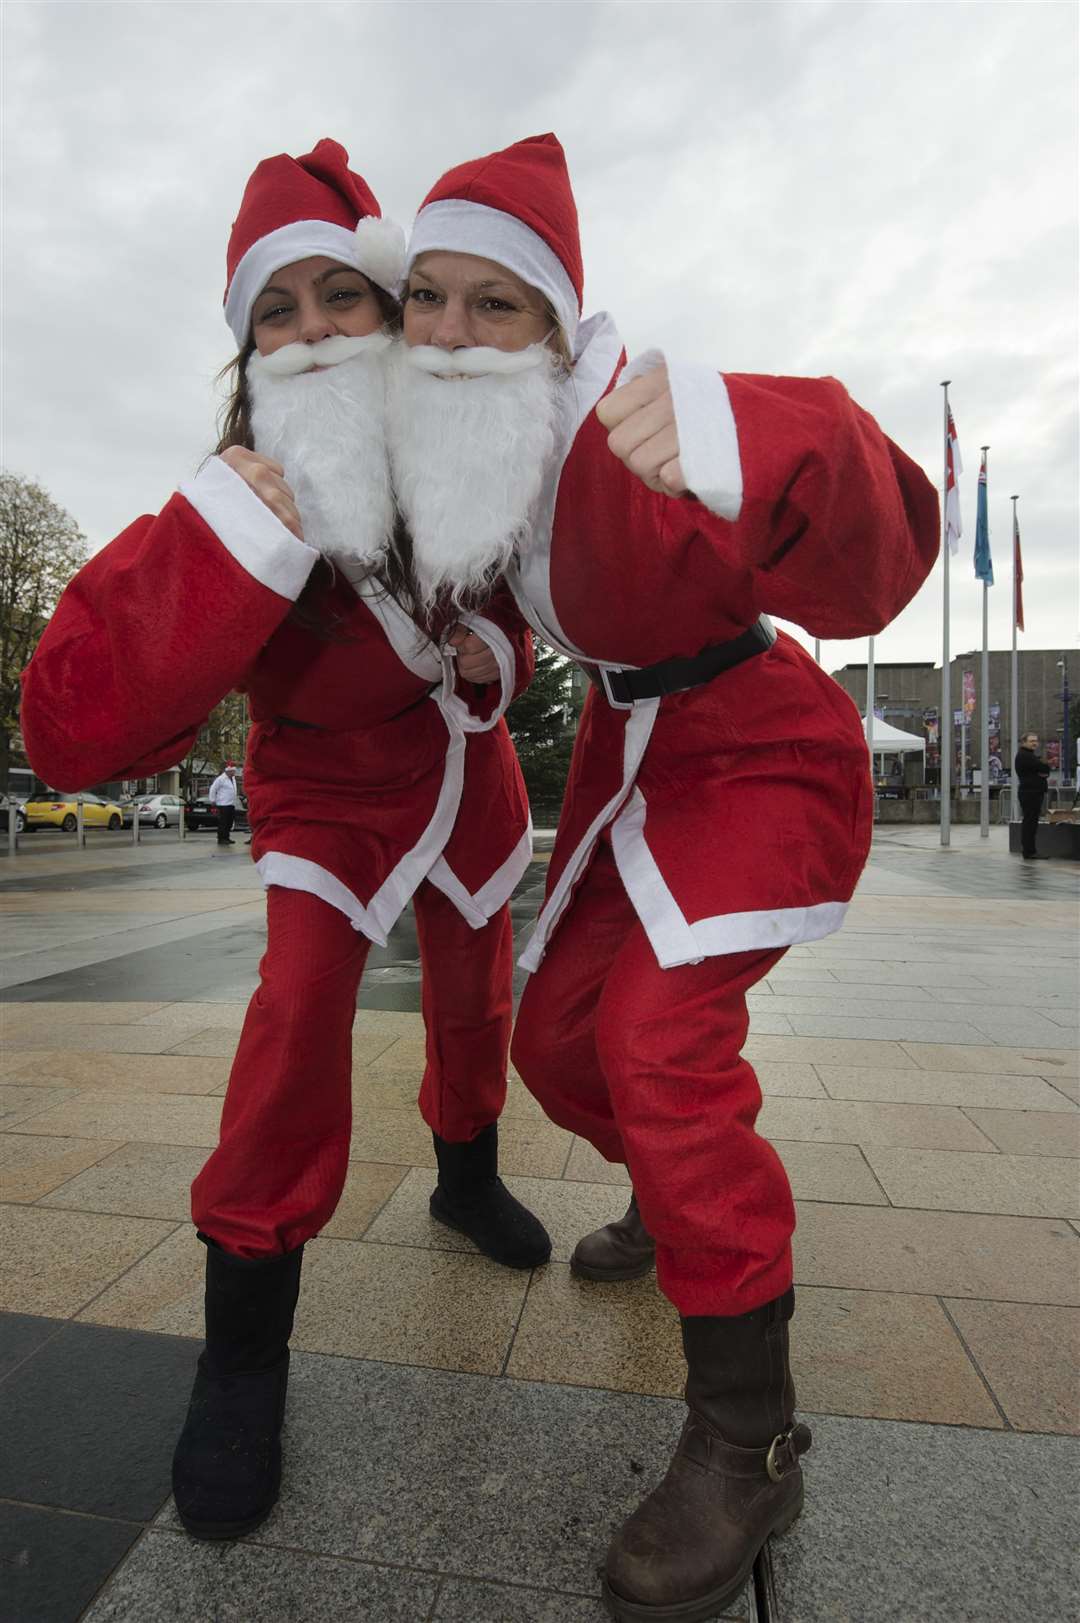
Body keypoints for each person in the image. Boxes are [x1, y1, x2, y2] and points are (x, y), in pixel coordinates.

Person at [389, 134, 940, 1622]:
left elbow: (878, 551)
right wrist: (475, 649)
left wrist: (745, 434)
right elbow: (509, 607)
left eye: (494, 306)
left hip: (754, 741)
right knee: (559, 1039)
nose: (447, 331)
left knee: (658, 1038)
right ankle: (666, 1191)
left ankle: (746, 1438)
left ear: (563, 326)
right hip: (637, 751)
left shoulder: (639, 418)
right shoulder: (478, 451)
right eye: (425, 295)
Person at [20, 139, 551, 1545]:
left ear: (389, 314)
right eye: (279, 308)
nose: (314, 329)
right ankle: (244, 1346)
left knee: (476, 978)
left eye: (342, 295)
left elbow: (539, 604)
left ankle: (465, 1165)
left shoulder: (469, 429)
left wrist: (499, 651)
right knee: (298, 1012)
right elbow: (81, 729)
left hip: (460, 761)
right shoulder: (235, 485)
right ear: (248, 344)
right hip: (320, 783)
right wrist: (209, 551)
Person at [1015, 730, 1051, 858]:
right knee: (1030, 823)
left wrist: (1042, 770)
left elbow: (1044, 772)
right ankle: (1029, 852)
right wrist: (1043, 768)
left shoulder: (1029, 755)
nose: (1034, 743)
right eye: (1031, 741)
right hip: (1030, 793)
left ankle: (1029, 851)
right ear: (1024, 742)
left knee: (1031, 822)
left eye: (1036, 741)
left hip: (1032, 792)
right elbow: (1045, 769)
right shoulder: (1025, 756)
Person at [207, 761, 239, 845]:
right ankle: (221, 838)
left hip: (231, 804)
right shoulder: (221, 779)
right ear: (229, 771)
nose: (234, 772)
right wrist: (212, 799)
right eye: (233, 771)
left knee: (229, 822)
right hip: (223, 804)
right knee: (223, 822)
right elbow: (213, 789)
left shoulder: (233, 779)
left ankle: (227, 837)